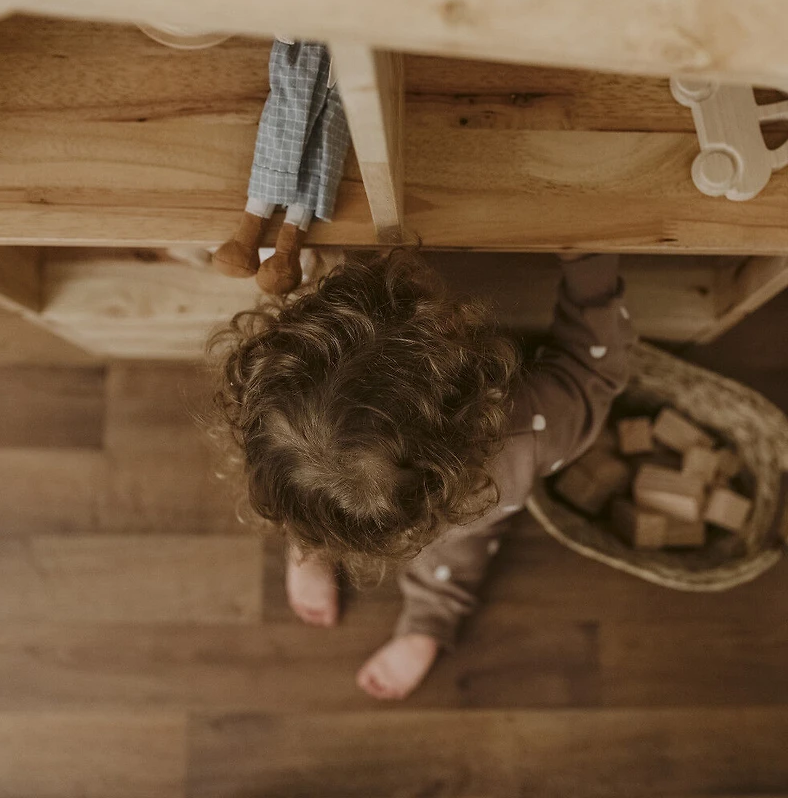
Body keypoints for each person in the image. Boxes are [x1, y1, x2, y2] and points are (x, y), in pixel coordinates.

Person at [209, 249, 634, 699]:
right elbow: (594, 368)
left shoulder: (525, 439)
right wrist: (589, 261)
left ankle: (429, 609)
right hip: (436, 491)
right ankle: (314, 542)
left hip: (463, 502)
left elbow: (594, 371)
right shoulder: (534, 429)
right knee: (312, 487)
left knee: (448, 539)